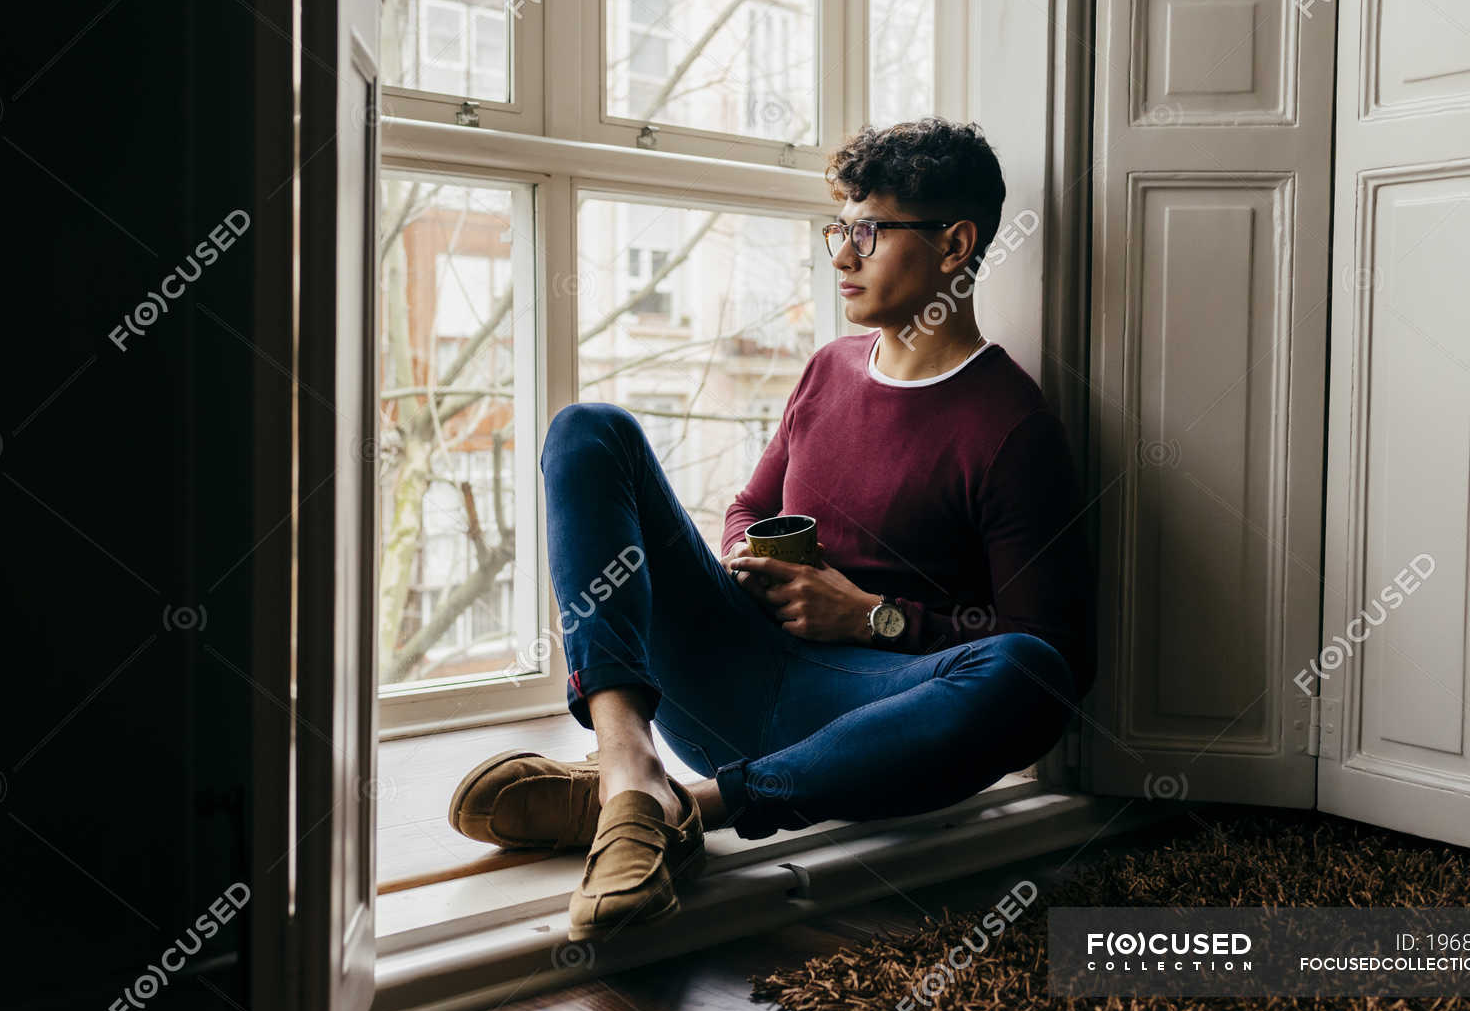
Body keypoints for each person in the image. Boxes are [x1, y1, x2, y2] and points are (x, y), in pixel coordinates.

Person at [447, 116, 1095, 943]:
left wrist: (869, 617)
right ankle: (627, 763)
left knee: (1028, 671)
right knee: (587, 428)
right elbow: (748, 508)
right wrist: (744, 558)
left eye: (869, 230)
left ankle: (673, 811)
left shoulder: (1011, 426)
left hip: (858, 725)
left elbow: (1062, 659)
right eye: (840, 227)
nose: (841, 256)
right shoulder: (828, 369)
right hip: (730, 667)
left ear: (954, 243)